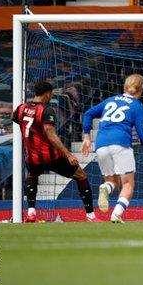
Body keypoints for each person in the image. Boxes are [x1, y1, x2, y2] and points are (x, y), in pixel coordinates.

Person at [12, 81, 99, 222]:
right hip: (50, 157)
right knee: (81, 175)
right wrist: (69, 155)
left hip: (32, 157)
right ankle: (91, 216)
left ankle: (31, 212)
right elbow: (51, 135)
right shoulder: (46, 110)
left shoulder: (21, 108)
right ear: (47, 94)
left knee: (32, 176)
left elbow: (14, 118)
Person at [81, 74, 143, 223]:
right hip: (120, 143)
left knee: (112, 180)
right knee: (127, 184)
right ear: (141, 89)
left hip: (100, 144)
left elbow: (88, 114)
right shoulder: (138, 107)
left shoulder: (111, 100)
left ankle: (105, 187)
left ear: (125, 87)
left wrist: (87, 137)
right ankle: (116, 214)